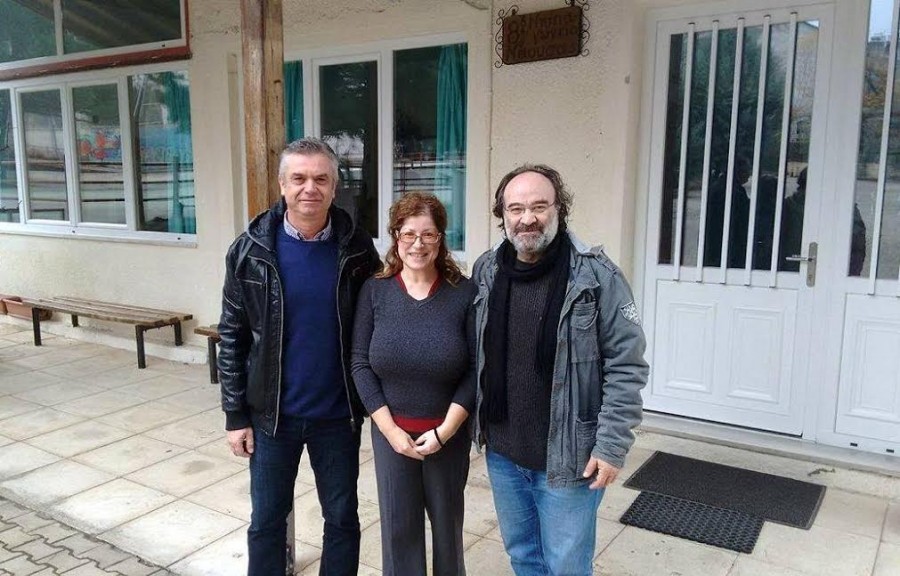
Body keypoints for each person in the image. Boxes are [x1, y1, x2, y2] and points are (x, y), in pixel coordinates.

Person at [472, 164, 649, 576]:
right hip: (503, 452)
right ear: (502, 214)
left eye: (539, 206)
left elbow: (626, 365)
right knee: (523, 556)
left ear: (559, 209)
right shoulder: (487, 270)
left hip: (571, 457)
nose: (527, 218)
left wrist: (611, 445)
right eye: (516, 208)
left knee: (566, 566)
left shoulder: (597, 277)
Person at [217, 137, 380, 576]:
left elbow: (377, 324)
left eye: (321, 179)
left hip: (337, 416)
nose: (311, 188)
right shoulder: (249, 251)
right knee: (266, 523)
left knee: (342, 521)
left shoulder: (358, 248)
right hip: (272, 419)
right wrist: (235, 415)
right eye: (300, 178)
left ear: (334, 186)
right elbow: (231, 336)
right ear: (282, 185)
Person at [351, 192, 476, 576]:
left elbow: (476, 369)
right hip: (392, 436)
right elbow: (359, 363)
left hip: (447, 436)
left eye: (428, 234)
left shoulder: (464, 293)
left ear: (441, 238)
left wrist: (445, 431)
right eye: (408, 234)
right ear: (395, 237)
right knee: (399, 531)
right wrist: (390, 431)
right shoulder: (375, 291)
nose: (418, 244)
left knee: (447, 532)